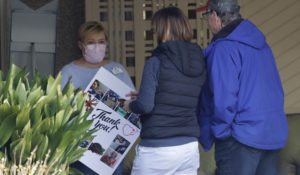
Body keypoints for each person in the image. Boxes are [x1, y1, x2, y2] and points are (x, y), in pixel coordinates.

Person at [197, 0, 288, 174]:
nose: (207, 22)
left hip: (241, 139)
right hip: (270, 133)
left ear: (215, 16)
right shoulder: (261, 44)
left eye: (206, 16)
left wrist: (221, 132)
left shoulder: (224, 48)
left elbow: (224, 99)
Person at [123, 7, 206, 175]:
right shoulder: (200, 61)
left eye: (155, 29)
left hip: (158, 148)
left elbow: (145, 106)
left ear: (162, 30)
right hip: (188, 147)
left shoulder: (156, 61)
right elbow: (181, 94)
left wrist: (130, 105)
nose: (154, 33)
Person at [60, 21, 134, 175]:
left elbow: (133, 106)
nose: (97, 46)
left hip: (113, 150)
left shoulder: (117, 70)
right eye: (91, 42)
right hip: (81, 150)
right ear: (81, 45)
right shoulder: (68, 72)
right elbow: (60, 109)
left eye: (101, 42)